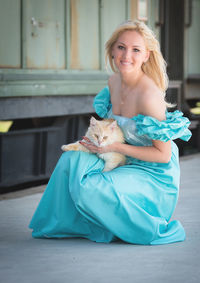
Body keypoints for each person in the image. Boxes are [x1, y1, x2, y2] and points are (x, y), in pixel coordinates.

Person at [29, 20, 191, 245]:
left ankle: (147, 229)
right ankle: (66, 224)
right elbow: (113, 127)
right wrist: (96, 143)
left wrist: (114, 147)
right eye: (121, 47)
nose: (127, 55)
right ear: (112, 50)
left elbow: (162, 155)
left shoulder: (149, 96)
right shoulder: (113, 82)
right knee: (70, 159)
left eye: (136, 50)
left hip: (153, 174)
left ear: (146, 55)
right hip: (121, 159)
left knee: (91, 188)